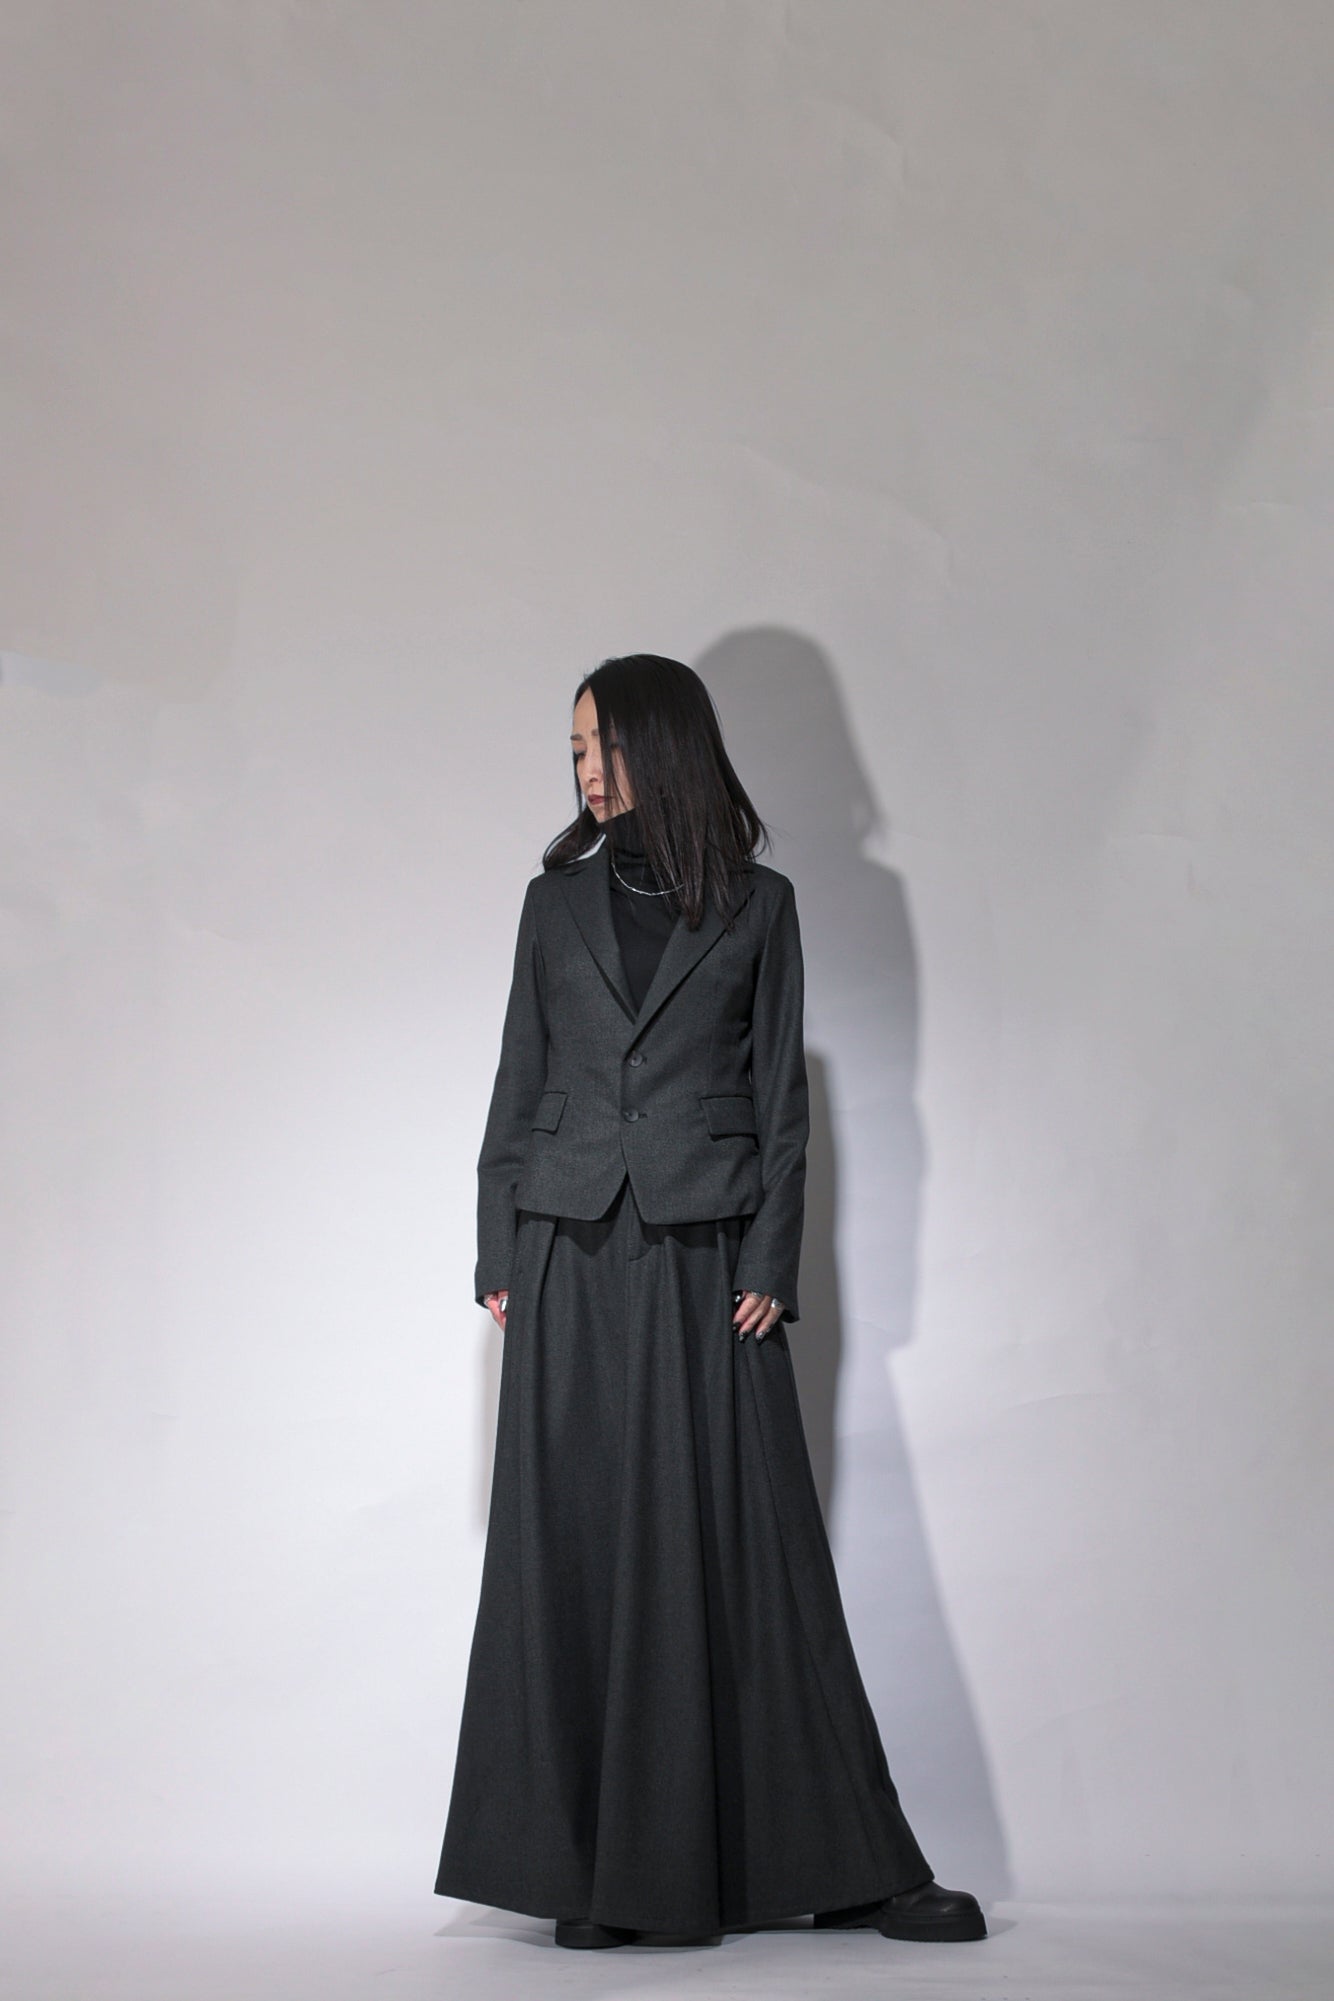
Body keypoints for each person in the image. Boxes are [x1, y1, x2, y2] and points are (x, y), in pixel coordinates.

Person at [433, 654, 985, 1949]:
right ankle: (595, 1874)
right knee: (573, 1540)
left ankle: (848, 1860)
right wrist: (497, 1246)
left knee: (749, 1541)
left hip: (705, 1253)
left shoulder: (759, 904)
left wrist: (768, 1262)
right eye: (575, 749)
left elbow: (783, 1100)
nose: (586, 770)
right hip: (566, 1247)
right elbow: (518, 1078)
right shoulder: (551, 903)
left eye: (606, 745)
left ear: (665, 748)